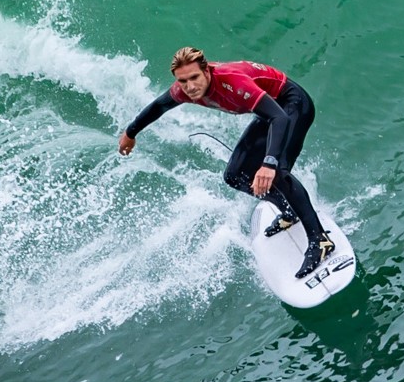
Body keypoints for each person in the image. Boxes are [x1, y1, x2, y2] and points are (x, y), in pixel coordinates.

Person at [119, 47, 335, 279]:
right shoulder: (183, 91)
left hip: (292, 106)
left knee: (277, 172)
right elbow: (158, 106)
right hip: (269, 113)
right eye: (183, 81)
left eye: (194, 78)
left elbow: (280, 117)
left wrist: (269, 163)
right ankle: (289, 213)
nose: (190, 86)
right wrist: (131, 133)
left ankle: (320, 241)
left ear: (207, 71)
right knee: (234, 176)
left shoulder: (232, 82)